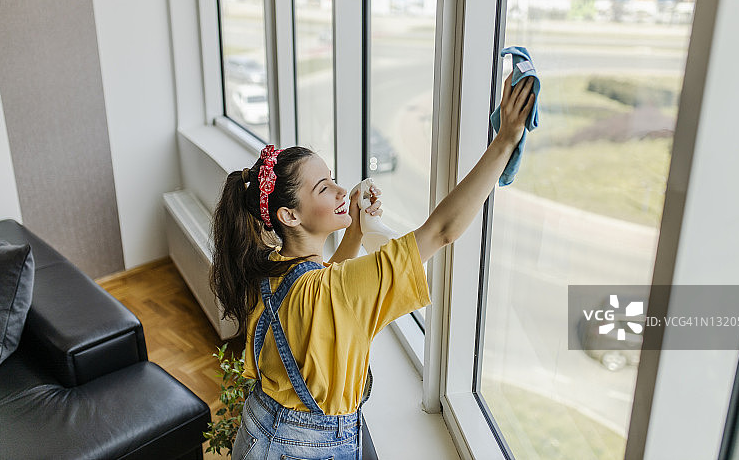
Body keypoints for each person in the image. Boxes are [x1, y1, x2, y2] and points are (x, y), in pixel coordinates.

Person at [209, 73, 535, 460]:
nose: (339, 190)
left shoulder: (269, 270)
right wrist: (505, 141)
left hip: (260, 433)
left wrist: (356, 231)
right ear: (289, 216)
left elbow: (326, 297)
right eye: (324, 188)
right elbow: (443, 231)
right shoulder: (338, 290)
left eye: (332, 179)